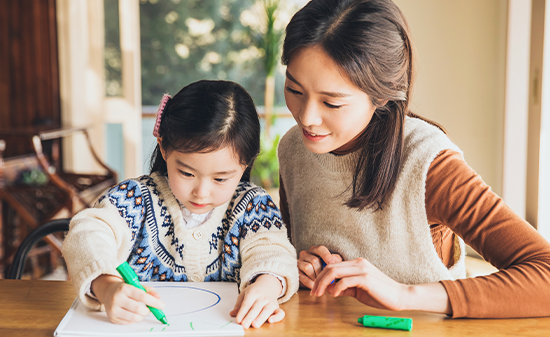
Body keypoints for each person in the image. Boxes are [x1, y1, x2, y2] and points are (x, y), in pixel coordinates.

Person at [277, 0, 550, 318]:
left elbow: (545, 274)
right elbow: (285, 250)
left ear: (382, 95)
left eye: (332, 103)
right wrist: (299, 264)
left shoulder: (429, 164)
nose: (306, 118)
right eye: (294, 90)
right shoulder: (293, 148)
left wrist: (403, 294)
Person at [62, 80, 299, 328]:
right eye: (187, 173)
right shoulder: (135, 199)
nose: (201, 192)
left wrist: (267, 285)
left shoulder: (253, 206)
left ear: (246, 164)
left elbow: (273, 250)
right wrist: (106, 285)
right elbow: (87, 234)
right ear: (163, 148)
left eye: (220, 178)